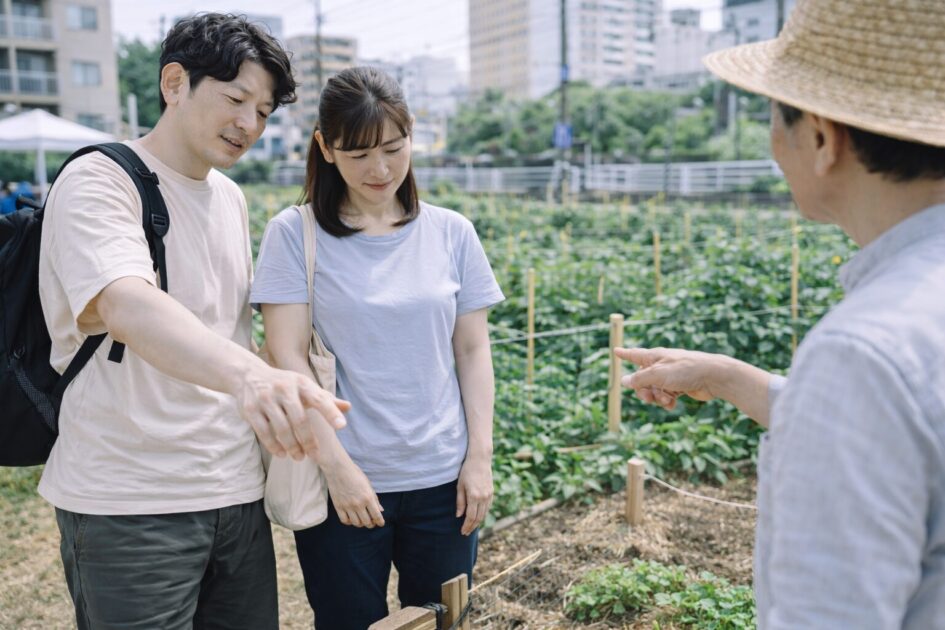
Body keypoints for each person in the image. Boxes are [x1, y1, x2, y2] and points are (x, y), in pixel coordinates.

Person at [617, 1, 945, 628]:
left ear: (821, 137)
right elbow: (909, 433)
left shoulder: (863, 354)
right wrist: (734, 380)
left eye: (774, 114)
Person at [38, 14, 348, 630]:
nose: (249, 125)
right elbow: (124, 302)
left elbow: (227, 330)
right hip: (129, 499)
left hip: (233, 492)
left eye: (263, 111)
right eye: (236, 99)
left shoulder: (228, 196)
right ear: (174, 82)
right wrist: (251, 378)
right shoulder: (100, 178)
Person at [251, 66, 505, 629]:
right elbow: (286, 359)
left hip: (444, 483)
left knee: (444, 622)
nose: (381, 169)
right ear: (325, 147)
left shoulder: (451, 232)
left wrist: (479, 459)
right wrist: (337, 468)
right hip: (344, 479)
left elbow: (472, 351)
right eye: (359, 153)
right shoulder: (294, 235)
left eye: (394, 147)